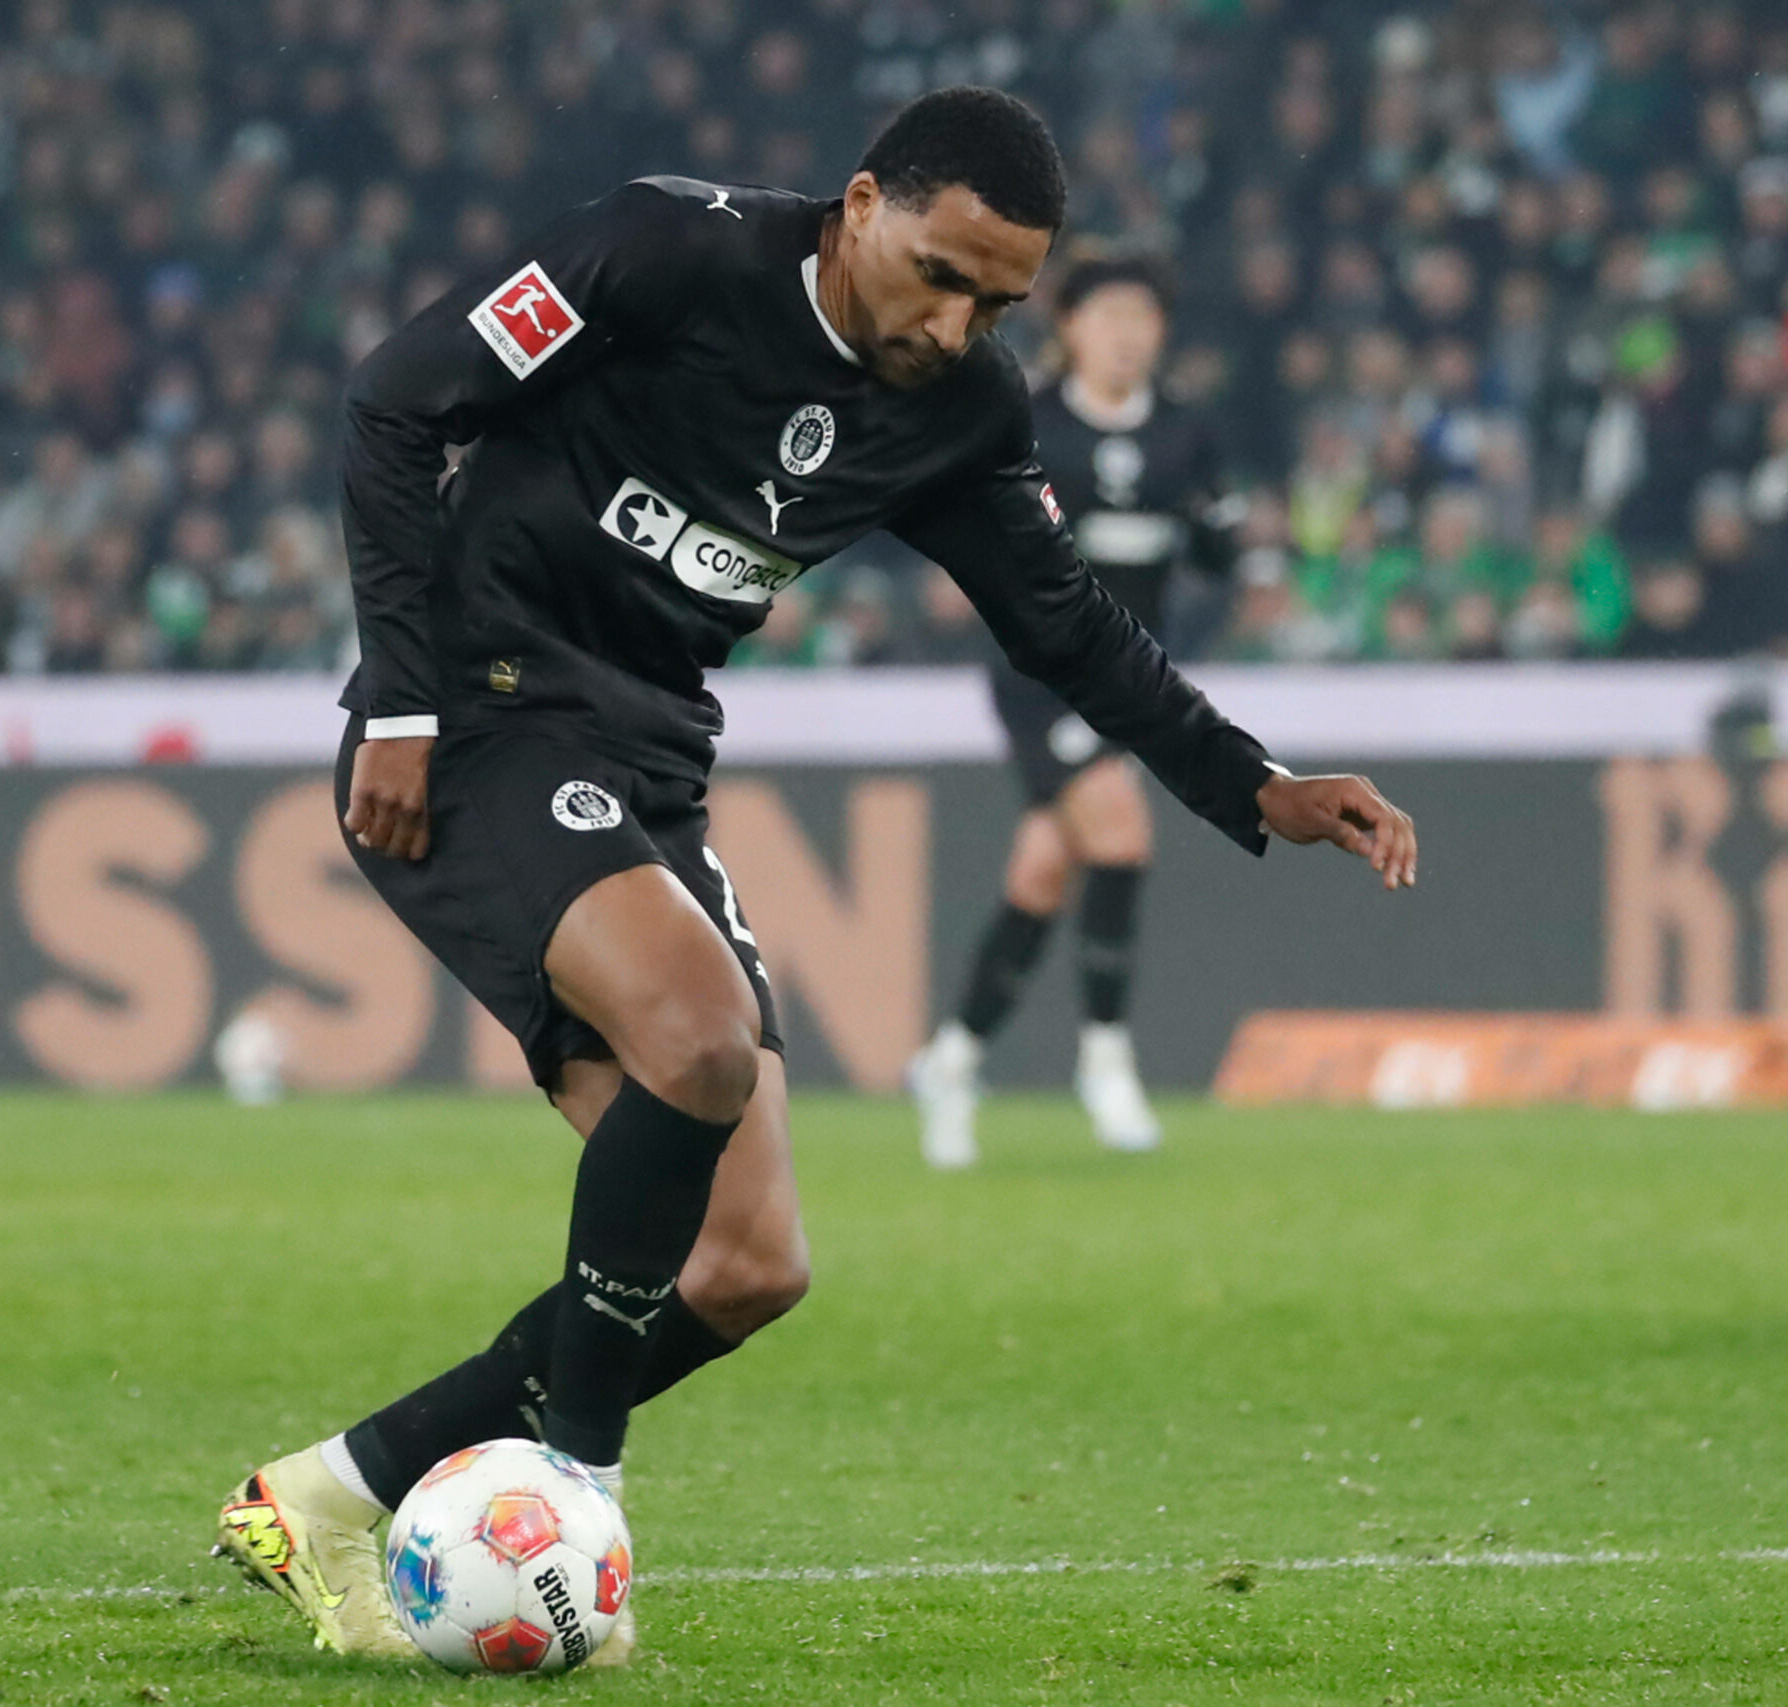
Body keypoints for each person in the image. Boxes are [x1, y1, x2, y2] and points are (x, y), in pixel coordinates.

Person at [213, 88, 1418, 1666]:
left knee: (745, 1260)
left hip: (650, 759)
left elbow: (1068, 626)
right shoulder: (659, 254)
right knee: (703, 1040)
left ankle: (313, 1493)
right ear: (859, 205)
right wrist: (400, 692)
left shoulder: (963, 409)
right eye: (940, 271)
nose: (958, 320)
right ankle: (577, 1478)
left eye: (1000, 299)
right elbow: (392, 402)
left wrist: (1252, 780)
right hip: (486, 714)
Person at [908, 255, 1238, 1169]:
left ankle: (951, 1059)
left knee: (1043, 874)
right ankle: (1105, 1060)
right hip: (1037, 671)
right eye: (1110, 314)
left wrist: (1225, 545)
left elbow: (1219, 556)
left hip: (1122, 676)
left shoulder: (1187, 433)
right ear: (1072, 328)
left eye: (1144, 315)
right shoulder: (1032, 420)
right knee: (1123, 838)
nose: (1129, 331)